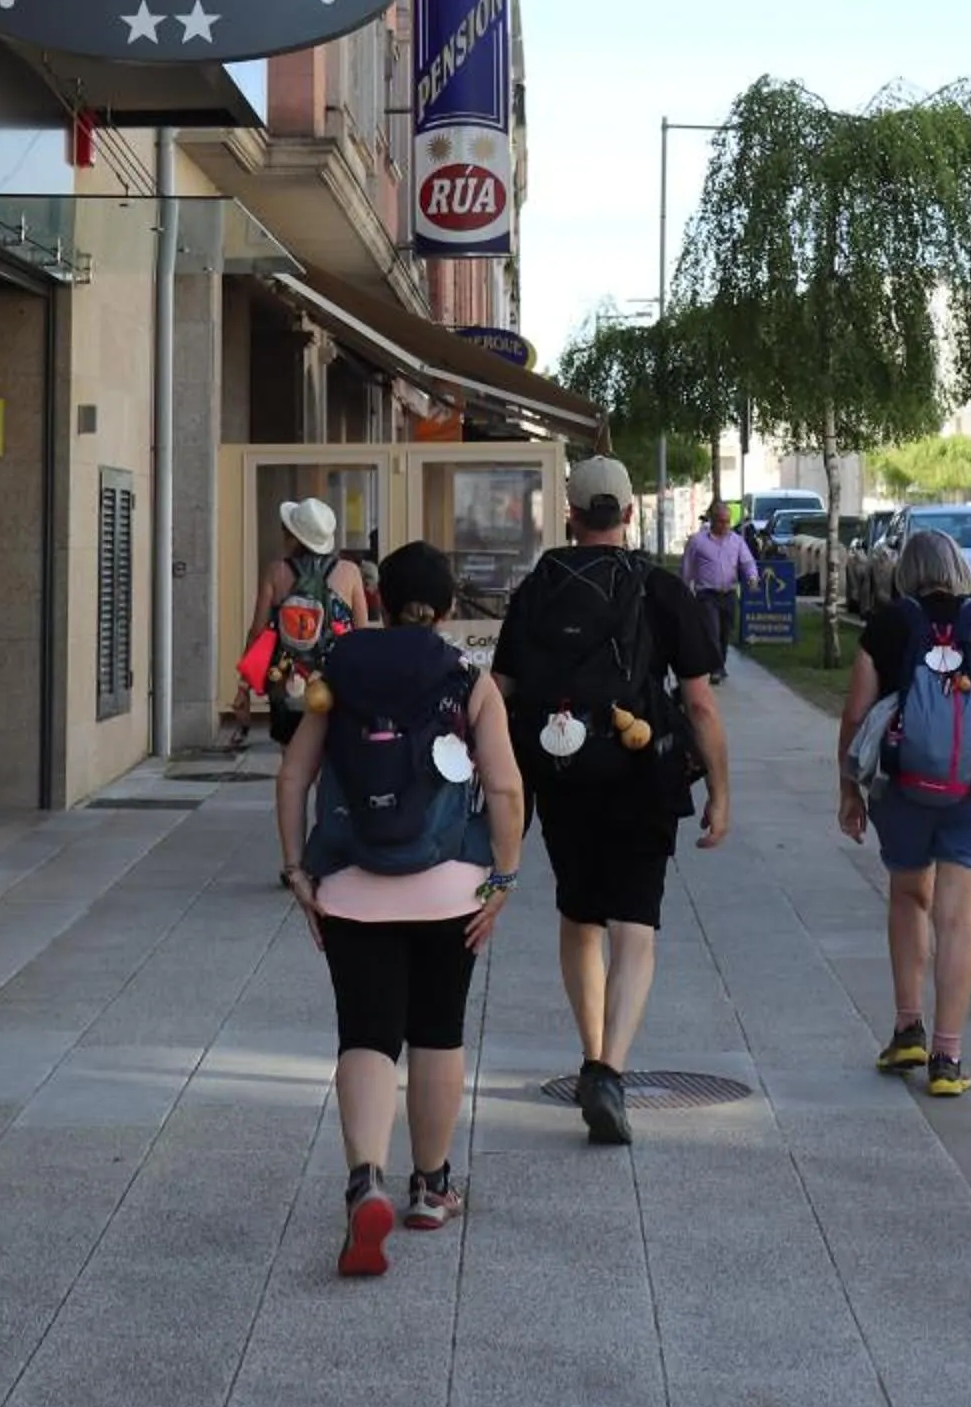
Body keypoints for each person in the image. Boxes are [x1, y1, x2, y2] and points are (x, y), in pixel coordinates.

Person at [276, 541, 524, 1276]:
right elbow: (506, 790)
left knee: (366, 1034)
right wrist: (502, 879)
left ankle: (364, 1180)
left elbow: (293, 777)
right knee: (438, 1032)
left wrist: (296, 868)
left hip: (351, 886)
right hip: (451, 888)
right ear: (447, 609)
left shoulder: (337, 673)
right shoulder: (468, 680)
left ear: (377, 602)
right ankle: (431, 1186)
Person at [493, 455, 727, 1147]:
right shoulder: (659, 590)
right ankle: (609, 1068)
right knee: (636, 923)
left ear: (568, 515)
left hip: (562, 771)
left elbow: (500, 689)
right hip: (640, 772)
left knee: (579, 913)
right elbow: (701, 704)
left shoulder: (537, 587)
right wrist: (721, 790)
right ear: (628, 515)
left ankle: (590, 1051)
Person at [836, 524, 971, 1100]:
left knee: (909, 897)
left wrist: (850, 792)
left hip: (901, 789)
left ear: (906, 572)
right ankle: (948, 1056)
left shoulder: (887, 625)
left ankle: (907, 1027)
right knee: (958, 919)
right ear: (959, 567)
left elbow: (856, 716)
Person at [243, 494, 370, 745]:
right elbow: (361, 633)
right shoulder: (349, 572)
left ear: (293, 536)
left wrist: (244, 686)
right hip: (336, 679)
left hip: (288, 679)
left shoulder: (276, 571)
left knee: (291, 756)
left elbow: (258, 632)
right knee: (333, 751)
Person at [680, 500, 761, 682]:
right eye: (721, 521)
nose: (725, 526)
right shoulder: (697, 541)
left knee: (725, 633)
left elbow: (747, 562)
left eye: (728, 521)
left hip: (729, 594)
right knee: (712, 632)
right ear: (713, 521)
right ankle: (715, 668)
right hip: (707, 595)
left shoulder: (736, 541)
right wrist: (684, 592)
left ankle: (720, 665)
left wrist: (752, 579)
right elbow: (687, 568)